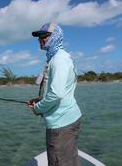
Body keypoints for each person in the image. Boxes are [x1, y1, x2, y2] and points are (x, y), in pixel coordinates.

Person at [29, 22, 82, 166]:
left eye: (44, 35)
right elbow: (58, 91)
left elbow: (56, 94)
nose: (40, 39)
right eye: (39, 36)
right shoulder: (57, 57)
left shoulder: (59, 59)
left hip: (61, 124)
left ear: (56, 36)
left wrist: (38, 108)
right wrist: (40, 99)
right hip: (67, 120)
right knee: (70, 160)